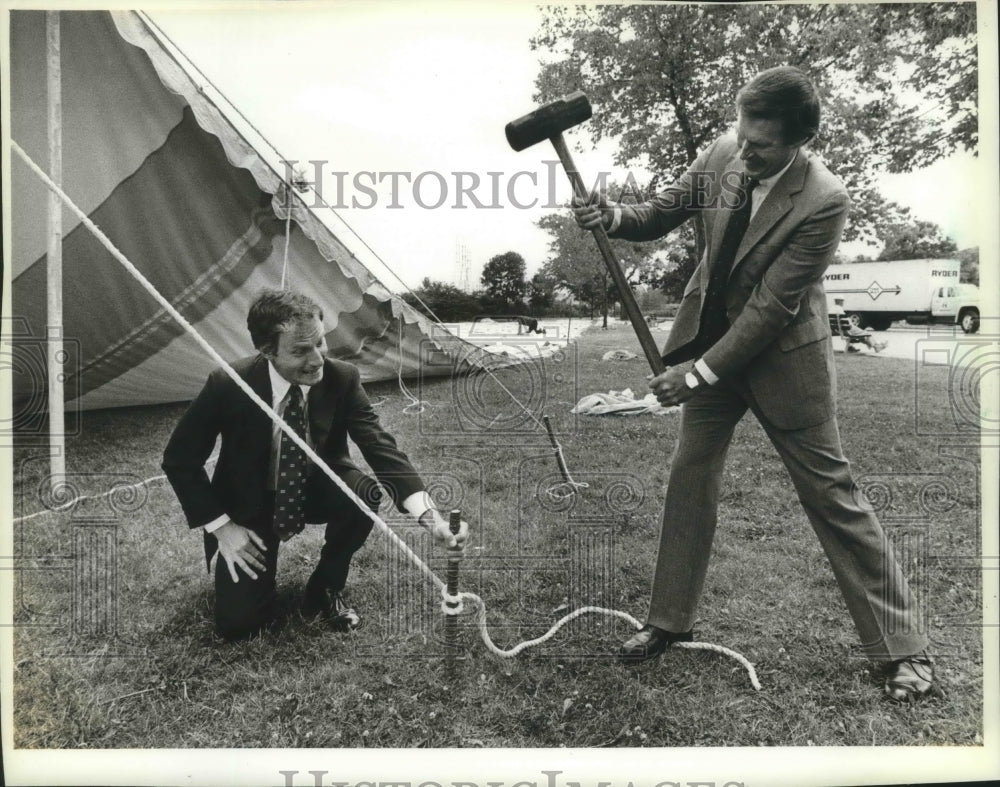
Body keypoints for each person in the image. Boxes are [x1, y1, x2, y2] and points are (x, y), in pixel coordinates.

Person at [573, 66, 934, 701]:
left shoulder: (824, 199)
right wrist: (613, 215)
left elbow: (772, 308)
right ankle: (668, 621)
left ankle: (901, 650)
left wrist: (698, 372)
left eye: (760, 145)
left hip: (781, 359)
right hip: (709, 343)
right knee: (690, 476)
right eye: (742, 134)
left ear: (800, 140)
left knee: (831, 493)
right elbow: (660, 211)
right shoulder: (722, 149)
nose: (743, 151)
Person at [163, 289, 468, 641]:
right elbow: (180, 459)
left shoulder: (344, 378)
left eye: (319, 344)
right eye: (299, 350)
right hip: (249, 504)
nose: (316, 360)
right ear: (266, 351)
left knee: (363, 492)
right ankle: (250, 582)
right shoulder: (228, 384)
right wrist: (223, 528)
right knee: (240, 626)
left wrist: (432, 519)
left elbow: (380, 445)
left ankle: (325, 589)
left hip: (317, 489)